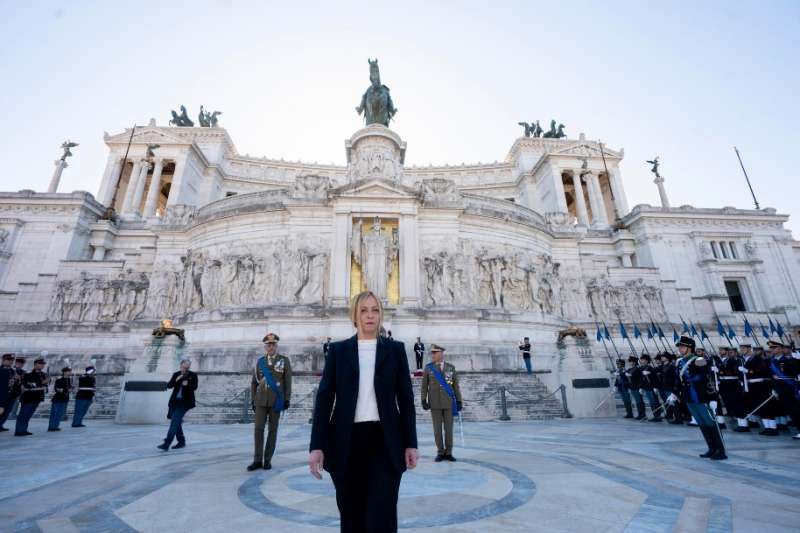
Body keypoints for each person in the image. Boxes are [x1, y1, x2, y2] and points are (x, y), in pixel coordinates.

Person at [309, 290, 418, 533]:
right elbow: (325, 399)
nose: (370, 315)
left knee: (383, 515)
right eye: (364, 310)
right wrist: (317, 445)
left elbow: (406, 400)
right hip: (347, 442)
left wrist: (411, 443)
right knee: (351, 516)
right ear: (355, 315)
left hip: (385, 442)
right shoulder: (338, 351)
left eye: (375, 310)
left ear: (381, 315)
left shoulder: (396, 350)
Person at [668, 336, 726, 460]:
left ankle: (720, 451)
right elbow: (679, 380)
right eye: (679, 346)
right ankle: (711, 448)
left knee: (711, 422)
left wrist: (713, 398)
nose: (680, 348)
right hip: (688, 397)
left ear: (690, 348)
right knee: (702, 422)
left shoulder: (699, 360)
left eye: (682, 346)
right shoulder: (679, 361)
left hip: (701, 396)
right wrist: (674, 393)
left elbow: (708, 379)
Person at [248, 332, 292, 471]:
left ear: (276, 346)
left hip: (276, 400)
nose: (271, 347)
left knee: (273, 430)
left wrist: (286, 399)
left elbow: (288, 382)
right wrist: (253, 400)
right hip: (260, 400)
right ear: (265, 347)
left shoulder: (284, 360)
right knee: (258, 429)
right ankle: (257, 460)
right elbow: (254, 382)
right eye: (268, 345)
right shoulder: (260, 362)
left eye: (273, 344)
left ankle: (267, 460)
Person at [421, 344, 463, 461]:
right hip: (434, 404)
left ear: (441, 353)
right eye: (432, 353)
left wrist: (459, 400)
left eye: (435, 352)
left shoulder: (451, 368)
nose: (432, 355)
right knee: (437, 430)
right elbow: (424, 386)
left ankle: (448, 452)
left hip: (449, 403)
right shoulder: (429, 368)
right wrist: (424, 399)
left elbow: (455, 386)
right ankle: (440, 452)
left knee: (449, 430)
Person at [157, 359, 198, 451]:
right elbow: (169, 386)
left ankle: (167, 443)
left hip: (185, 403)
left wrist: (188, 384)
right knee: (176, 421)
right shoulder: (176, 374)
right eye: (184, 367)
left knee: (174, 422)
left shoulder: (193, 375)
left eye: (188, 367)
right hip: (174, 402)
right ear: (181, 366)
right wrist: (177, 379)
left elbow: (195, 387)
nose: (186, 368)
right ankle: (181, 441)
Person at [718, 345, 749, 432]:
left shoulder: (734, 360)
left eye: (722, 350)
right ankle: (739, 423)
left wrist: (721, 370)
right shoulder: (721, 361)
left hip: (732, 383)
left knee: (737, 403)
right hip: (724, 384)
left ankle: (744, 425)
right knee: (729, 403)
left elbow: (735, 371)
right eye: (720, 350)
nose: (720, 352)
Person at [15, 357, 48, 436]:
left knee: (28, 414)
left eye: (43, 364)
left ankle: (23, 429)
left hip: (37, 397)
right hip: (28, 397)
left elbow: (45, 385)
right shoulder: (28, 373)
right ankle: (19, 431)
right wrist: (42, 382)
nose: (42, 366)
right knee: (23, 414)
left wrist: (46, 383)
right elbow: (28, 384)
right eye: (40, 364)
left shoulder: (43, 374)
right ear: (35, 364)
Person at [638, 354, 662, 422]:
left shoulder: (651, 369)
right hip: (646, 388)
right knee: (651, 402)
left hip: (651, 388)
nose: (642, 361)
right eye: (641, 359)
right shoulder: (642, 368)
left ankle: (657, 416)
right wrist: (641, 387)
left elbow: (655, 379)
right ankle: (655, 415)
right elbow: (642, 379)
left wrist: (655, 387)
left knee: (654, 402)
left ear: (647, 360)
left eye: (643, 359)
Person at [47, 366, 72, 431]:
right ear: (64, 372)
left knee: (60, 414)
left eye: (69, 371)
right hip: (58, 399)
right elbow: (57, 389)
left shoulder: (69, 380)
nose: (69, 373)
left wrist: (69, 389)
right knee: (54, 413)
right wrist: (65, 390)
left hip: (65, 398)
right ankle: (51, 427)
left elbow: (68, 389)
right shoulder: (59, 380)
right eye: (67, 371)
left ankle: (55, 426)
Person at [626, 355, 646, 420]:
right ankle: (640, 414)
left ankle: (642, 414)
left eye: (631, 361)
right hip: (632, 387)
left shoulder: (638, 369)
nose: (629, 362)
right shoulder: (629, 369)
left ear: (634, 362)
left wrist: (641, 387)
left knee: (639, 401)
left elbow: (640, 379)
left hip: (637, 387)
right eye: (629, 361)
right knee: (637, 401)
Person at [0, 354, 15, 431]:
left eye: (11, 360)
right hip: (1, 396)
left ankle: (0, 425)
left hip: (10, 396)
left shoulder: (12, 371)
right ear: (3, 360)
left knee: (5, 413)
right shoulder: (1, 371)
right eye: (8, 360)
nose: (10, 361)